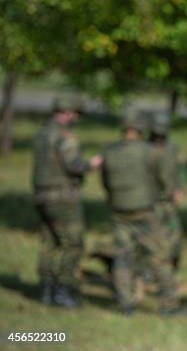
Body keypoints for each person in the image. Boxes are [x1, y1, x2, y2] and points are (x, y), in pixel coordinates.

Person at [101, 110, 182, 316]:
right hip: (145, 212)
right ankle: (168, 306)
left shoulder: (109, 151)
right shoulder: (150, 151)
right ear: (140, 129)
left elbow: (106, 182)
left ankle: (125, 304)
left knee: (122, 257)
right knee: (161, 257)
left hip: (119, 211)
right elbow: (164, 181)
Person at [32, 94, 103, 308]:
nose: (77, 118)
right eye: (76, 113)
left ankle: (45, 288)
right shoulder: (65, 136)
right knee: (72, 243)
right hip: (62, 197)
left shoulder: (41, 133)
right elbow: (74, 166)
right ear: (68, 112)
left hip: (41, 195)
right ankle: (62, 291)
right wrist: (93, 164)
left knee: (50, 243)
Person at [149, 112, 187, 270]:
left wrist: (181, 188)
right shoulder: (144, 148)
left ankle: (171, 264)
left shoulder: (173, 149)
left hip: (168, 199)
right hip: (149, 200)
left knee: (174, 234)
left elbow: (181, 170)